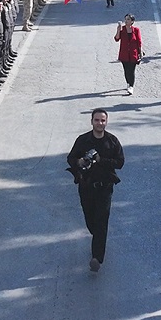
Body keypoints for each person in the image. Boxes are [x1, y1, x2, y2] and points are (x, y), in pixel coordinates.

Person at [66, 109, 125, 272]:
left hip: (104, 188)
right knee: (90, 219)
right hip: (86, 187)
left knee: (101, 221)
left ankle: (97, 258)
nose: (100, 123)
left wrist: (101, 160)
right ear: (91, 121)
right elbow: (70, 158)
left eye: (103, 120)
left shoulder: (112, 141)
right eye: (97, 120)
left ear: (106, 122)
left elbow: (120, 162)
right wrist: (78, 161)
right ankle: (97, 239)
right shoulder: (83, 140)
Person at [114, 15, 142, 95]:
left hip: (133, 54)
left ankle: (131, 86)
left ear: (132, 21)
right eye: (125, 19)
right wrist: (118, 30)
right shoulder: (122, 29)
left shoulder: (136, 30)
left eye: (128, 19)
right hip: (124, 54)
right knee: (126, 70)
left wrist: (140, 53)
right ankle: (128, 83)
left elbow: (139, 42)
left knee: (132, 70)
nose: (126, 21)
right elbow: (116, 39)